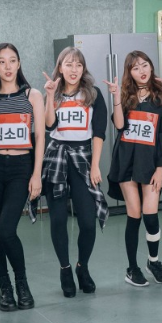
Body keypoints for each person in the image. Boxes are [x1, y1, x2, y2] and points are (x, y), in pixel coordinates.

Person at [0, 43, 45, 311]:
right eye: (1, 62)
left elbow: (40, 137)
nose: (7, 66)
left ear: (19, 63)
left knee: (6, 229)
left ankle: (22, 283)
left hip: (20, 167)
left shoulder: (32, 95)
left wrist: (37, 174)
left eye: (12, 60)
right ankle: (5, 288)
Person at [42, 47, 109, 298]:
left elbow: (99, 132)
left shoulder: (93, 94)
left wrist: (95, 165)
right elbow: (50, 125)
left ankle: (83, 267)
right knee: (58, 220)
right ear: (60, 67)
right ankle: (65, 270)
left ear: (83, 69)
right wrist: (50, 97)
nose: (74, 70)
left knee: (88, 222)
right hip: (57, 157)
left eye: (78, 65)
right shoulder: (53, 92)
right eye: (68, 64)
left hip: (83, 159)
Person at [106, 51, 162, 286]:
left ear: (151, 66)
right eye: (135, 68)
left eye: (144, 65)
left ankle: (153, 261)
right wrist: (116, 97)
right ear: (130, 72)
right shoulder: (126, 95)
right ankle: (132, 268)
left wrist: (160, 168)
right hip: (126, 160)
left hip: (150, 162)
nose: (142, 71)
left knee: (151, 216)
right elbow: (119, 125)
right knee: (134, 215)